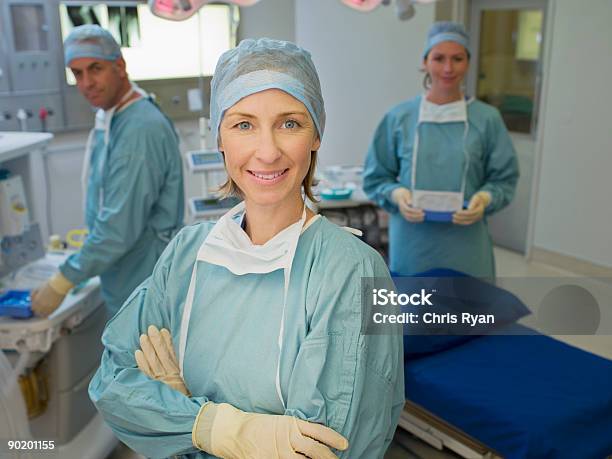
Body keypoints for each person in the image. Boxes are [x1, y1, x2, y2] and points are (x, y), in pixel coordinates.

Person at [88, 38, 404, 458]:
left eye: (289, 123)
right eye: (243, 124)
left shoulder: (354, 272)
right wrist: (209, 426)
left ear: (316, 137)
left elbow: (330, 449)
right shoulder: (186, 255)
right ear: (219, 137)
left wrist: (178, 418)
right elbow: (112, 382)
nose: (268, 151)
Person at [31, 25, 184, 318]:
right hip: (127, 276)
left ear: (120, 66)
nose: (87, 82)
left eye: (95, 68)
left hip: (144, 281)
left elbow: (118, 227)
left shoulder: (139, 129)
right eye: (77, 74)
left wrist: (64, 280)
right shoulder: (115, 118)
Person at [363, 21, 519, 278]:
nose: (448, 68)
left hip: (467, 246)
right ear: (425, 62)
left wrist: (485, 198)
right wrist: (398, 194)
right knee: (415, 314)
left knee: (467, 313)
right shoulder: (399, 117)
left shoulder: (487, 119)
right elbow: (376, 177)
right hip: (413, 245)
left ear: (468, 63)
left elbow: (504, 179)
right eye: (439, 58)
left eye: (457, 58)